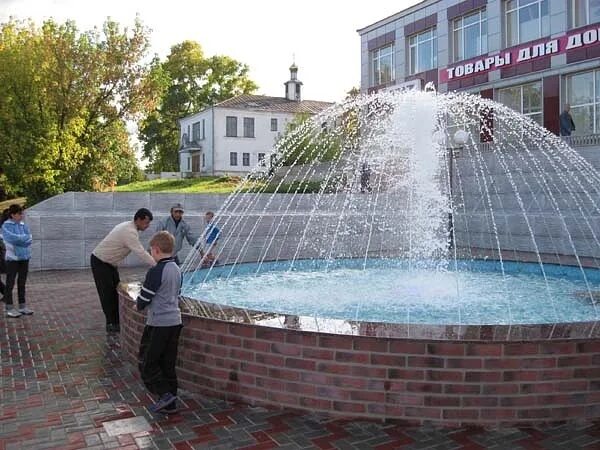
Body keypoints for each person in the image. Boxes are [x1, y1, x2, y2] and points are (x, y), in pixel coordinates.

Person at [136, 231, 183, 413]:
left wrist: (138, 304)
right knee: (168, 364)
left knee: (147, 362)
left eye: (151, 251)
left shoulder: (156, 271)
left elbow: (144, 299)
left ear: (155, 250)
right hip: (175, 322)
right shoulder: (177, 269)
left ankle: (165, 394)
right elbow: (177, 293)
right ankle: (171, 404)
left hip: (159, 324)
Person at [91, 208, 156, 333]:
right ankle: (111, 324)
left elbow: (141, 250)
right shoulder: (129, 231)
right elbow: (140, 252)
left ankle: (115, 321)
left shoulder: (129, 227)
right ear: (138, 219)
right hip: (100, 262)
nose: (147, 226)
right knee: (107, 294)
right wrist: (157, 265)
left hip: (109, 264)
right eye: (146, 223)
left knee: (115, 291)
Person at [1, 204, 33, 318]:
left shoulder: (23, 225)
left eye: (22, 213)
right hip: (12, 258)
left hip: (25, 257)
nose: (22, 216)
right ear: (13, 215)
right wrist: (22, 239)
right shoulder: (6, 226)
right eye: (19, 214)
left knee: (22, 282)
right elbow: (11, 239)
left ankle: (22, 306)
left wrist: (21, 240)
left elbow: (29, 238)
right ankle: (9, 308)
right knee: (10, 283)